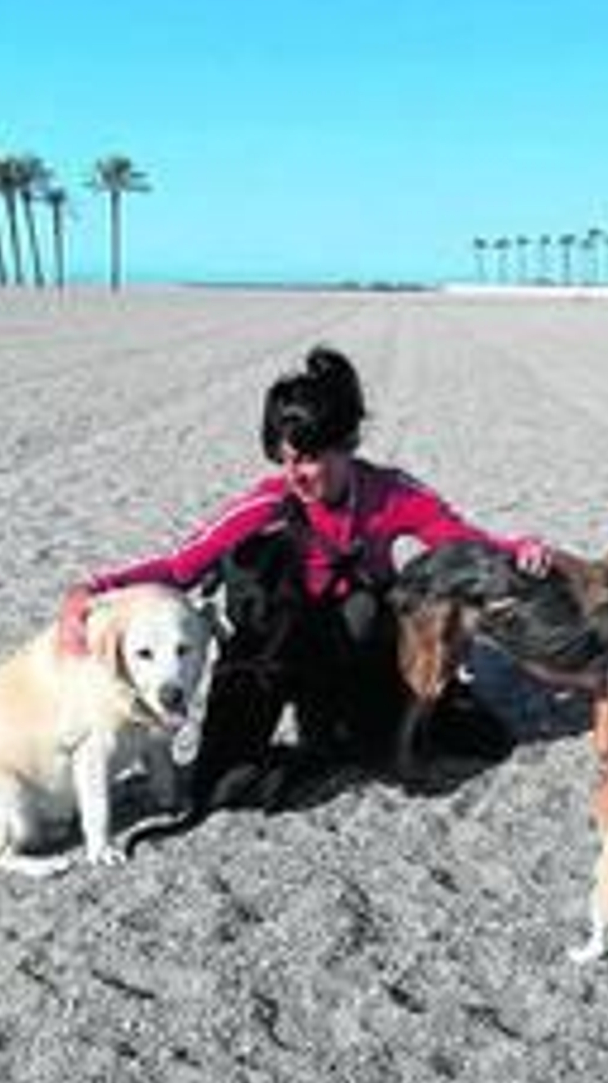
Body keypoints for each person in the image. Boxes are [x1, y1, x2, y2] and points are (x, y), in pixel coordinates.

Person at [59, 345, 550, 812]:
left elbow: (459, 539)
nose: (297, 474)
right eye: (286, 457)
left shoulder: (388, 493)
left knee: (441, 738)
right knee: (223, 784)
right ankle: (308, 741)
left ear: (347, 445)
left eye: (311, 458)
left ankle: (345, 730)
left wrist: (517, 549)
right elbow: (181, 566)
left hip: (355, 651)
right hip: (274, 653)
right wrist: (93, 589)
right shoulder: (269, 502)